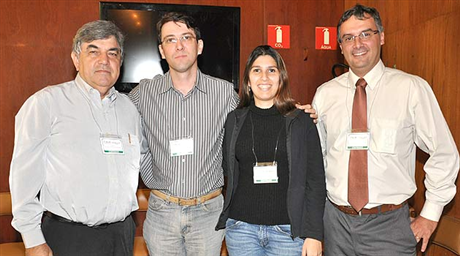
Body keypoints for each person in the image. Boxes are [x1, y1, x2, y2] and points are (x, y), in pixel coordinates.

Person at [129, 12, 317, 255]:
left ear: (199, 46)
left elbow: (259, 114)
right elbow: (118, 118)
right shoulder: (143, 93)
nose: (179, 45)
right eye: (170, 40)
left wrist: (296, 111)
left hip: (207, 215)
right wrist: (145, 163)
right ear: (162, 51)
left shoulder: (225, 93)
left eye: (186, 37)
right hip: (162, 212)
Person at [312, 4, 459, 255]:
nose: (357, 43)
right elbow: (318, 159)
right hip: (336, 224)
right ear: (340, 46)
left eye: (365, 34)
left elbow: (444, 153)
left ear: (381, 37)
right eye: (348, 37)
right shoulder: (325, 94)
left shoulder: (411, 88)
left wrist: (431, 214)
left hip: (389, 226)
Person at [10, 20, 147, 256]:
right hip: (69, 238)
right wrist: (32, 240)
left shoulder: (130, 110)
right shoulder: (46, 103)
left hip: (122, 235)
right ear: (76, 59)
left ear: (120, 62)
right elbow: (23, 177)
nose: (104, 61)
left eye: (112, 53)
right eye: (93, 51)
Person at [215, 45, 326, 256]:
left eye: (271, 70)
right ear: (248, 80)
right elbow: (229, 171)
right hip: (241, 230)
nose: (264, 77)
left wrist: (314, 234)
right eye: (256, 70)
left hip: (288, 232)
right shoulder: (234, 120)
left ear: (281, 77)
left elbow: (316, 182)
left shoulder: (301, 121)